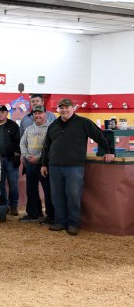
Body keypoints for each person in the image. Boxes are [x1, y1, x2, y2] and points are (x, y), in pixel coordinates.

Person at [41, 98, 114, 235]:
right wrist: (44, 164)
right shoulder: (53, 125)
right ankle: (60, 222)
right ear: (58, 109)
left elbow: (100, 135)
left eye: (67, 107)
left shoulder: (84, 123)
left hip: (74, 167)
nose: (64, 110)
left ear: (73, 108)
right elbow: (47, 146)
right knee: (56, 196)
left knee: (73, 196)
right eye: (61, 107)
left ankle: (73, 224)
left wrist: (110, 151)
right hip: (54, 167)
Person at [19, 106, 54, 224]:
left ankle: (51, 216)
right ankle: (33, 214)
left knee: (48, 190)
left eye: (40, 113)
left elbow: (50, 146)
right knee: (31, 190)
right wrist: (27, 155)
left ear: (45, 114)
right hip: (30, 164)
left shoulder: (51, 128)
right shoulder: (29, 129)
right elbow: (22, 144)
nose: (37, 115)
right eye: (35, 113)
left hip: (44, 164)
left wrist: (39, 157)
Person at [0, 105, 21, 216]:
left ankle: (13, 206)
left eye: (2, 112)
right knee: (0, 183)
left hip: (11, 159)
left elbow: (18, 142)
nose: (0, 114)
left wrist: (17, 156)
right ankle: (4, 205)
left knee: (13, 183)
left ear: (7, 113)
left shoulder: (13, 125)